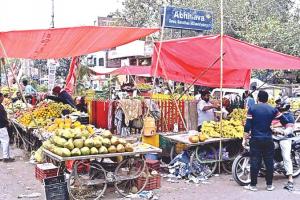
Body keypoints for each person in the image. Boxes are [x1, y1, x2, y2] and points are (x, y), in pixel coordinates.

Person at [243, 90, 288, 192]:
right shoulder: (272, 109)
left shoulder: (252, 108)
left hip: (255, 139)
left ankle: (253, 185)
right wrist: (279, 128)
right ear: (267, 99)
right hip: (268, 139)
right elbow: (285, 121)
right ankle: (269, 185)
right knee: (269, 162)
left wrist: (244, 139)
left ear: (258, 98)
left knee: (255, 161)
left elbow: (247, 126)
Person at [272, 103, 295, 191]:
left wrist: (282, 132)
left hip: (285, 138)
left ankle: (290, 178)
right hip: (274, 137)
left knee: (286, 157)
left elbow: (289, 129)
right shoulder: (275, 115)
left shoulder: (289, 116)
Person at [0, 93, 14, 162]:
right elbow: (2, 117)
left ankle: (6, 156)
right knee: (5, 141)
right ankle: (6, 157)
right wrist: (7, 122)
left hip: (1, 126)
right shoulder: (0, 107)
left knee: (3, 141)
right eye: (2, 97)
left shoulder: (1, 106)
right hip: (2, 126)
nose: (3, 99)